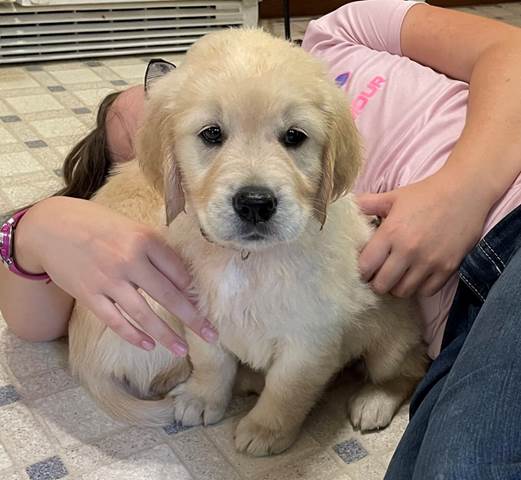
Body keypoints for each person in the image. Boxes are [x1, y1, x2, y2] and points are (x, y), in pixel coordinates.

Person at [1, 0, 521, 477]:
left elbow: (511, 47)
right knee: (461, 464)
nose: (253, 186)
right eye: (211, 135)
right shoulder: (174, 208)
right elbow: (45, 320)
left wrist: (462, 188)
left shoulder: (343, 34)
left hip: (507, 218)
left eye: (292, 137)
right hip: (462, 322)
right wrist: (33, 228)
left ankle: (390, 378)